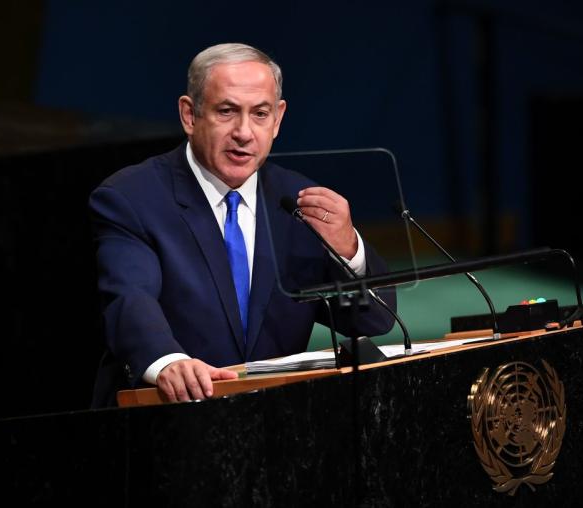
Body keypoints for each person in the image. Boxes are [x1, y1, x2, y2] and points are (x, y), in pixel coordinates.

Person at [89, 43, 396, 407]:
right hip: (163, 416)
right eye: (226, 111)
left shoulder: (299, 201)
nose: (244, 132)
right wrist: (168, 362)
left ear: (278, 119)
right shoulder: (132, 197)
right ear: (190, 115)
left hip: (274, 423)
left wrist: (349, 250)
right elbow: (129, 298)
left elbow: (373, 322)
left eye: (260, 114)